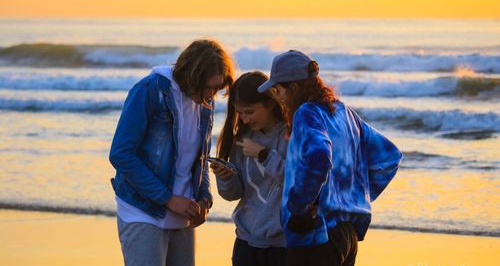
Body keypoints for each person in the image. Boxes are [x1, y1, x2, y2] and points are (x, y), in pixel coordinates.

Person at [257, 50, 403, 266]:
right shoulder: (343, 112)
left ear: (294, 88)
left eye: (278, 90)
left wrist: (300, 206)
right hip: (347, 234)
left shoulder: (306, 113)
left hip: (316, 236)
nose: (278, 98)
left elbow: (319, 155)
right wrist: (352, 198)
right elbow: (389, 157)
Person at [109, 39, 235, 266]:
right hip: (143, 210)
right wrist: (167, 198)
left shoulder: (206, 101)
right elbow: (121, 154)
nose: (211, 94)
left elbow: (199, 158)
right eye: (208, 86)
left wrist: (204, 198)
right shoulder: (150, 91)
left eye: (216, 88)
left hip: (182, 215)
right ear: (192, 75)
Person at [212, 71, 288, 266]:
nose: (244, 119)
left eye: (250, 111)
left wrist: (263, 155)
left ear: (270, 103)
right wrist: (226, 177)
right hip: (246, 242)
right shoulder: (242, 139)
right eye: (240, 113)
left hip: (283, 245)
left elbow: (297, 183)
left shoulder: (290, 135)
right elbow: (233, 194)